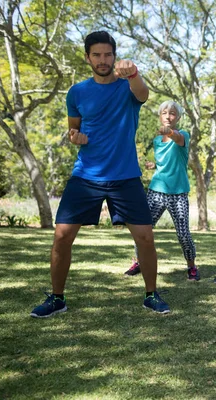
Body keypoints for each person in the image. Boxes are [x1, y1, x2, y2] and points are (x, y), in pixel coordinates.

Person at [30, 31, 170, 318]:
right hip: (86, 175)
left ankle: (151, 294)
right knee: (61, 236)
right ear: (88, 58)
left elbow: (143, 94)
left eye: (108, 54)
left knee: (145, 237)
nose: (103, 60)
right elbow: (74, 130)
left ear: (115, 56)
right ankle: (57, 298)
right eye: (97, 55)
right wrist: (75, 137)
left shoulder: (127, 87)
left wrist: (133, 73)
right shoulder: (77, 92)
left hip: (125, 175)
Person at [124, 100, 199, 281]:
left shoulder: (183, 136)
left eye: (172, 113)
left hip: (178, 192)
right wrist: (154, 165)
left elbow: (177, 139)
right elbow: (165, 162)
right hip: (156, 191)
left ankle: (192, 267)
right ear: (160, 115)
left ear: (178, 117)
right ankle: (139, 262)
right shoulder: (157, 140)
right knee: (142, 230)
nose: (168, 116)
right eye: (164, 112)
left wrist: (170, 132)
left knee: (183, 233)